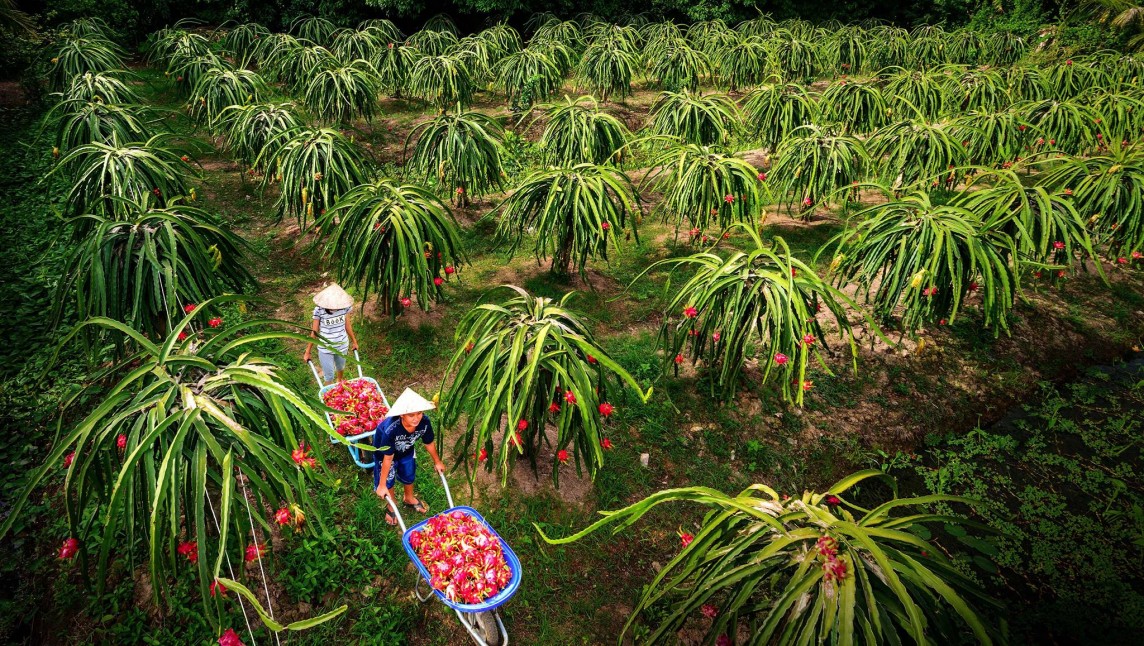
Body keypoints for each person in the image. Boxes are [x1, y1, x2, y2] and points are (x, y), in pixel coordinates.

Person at [373, 388, 446, 526]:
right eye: (411, 415)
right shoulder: (391, 430)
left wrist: (437, 461)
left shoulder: (424, 422)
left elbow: (429, 442)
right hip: (386, 455)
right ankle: (392, 503)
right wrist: (382, 485)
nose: (416, 418)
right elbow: (388, 458)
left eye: (419, 413)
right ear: (402, 415)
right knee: (388, 479)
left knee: (409, 473)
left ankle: (409, 497)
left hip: (406, 451)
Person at [303, 283, 359, 385]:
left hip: (342, 345)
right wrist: (308, 351)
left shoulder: (344, 308)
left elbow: (347, 326)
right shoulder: (319, 310)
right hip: (326, 348)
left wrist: (354, 341)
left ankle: (339, 382)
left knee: (340, 367)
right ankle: (330, 395)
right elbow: (314, 332)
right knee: (329, 375)